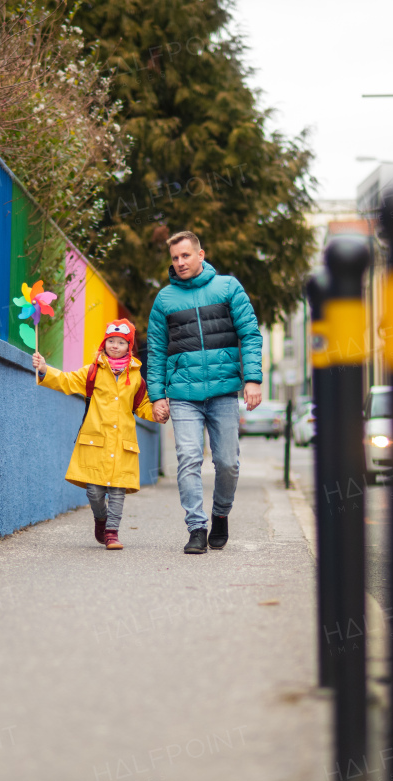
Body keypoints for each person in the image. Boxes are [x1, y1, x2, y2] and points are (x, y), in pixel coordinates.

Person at [146, 231, 263, 554]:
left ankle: (221, 513)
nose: (180, 262)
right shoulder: (165, 300)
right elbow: (155, 352)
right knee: (189, 458)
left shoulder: (228, 288)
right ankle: (196, 528)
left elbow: (250, 334)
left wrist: (252, 378)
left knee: (227, 463)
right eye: (175, 258)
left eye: (185, 255)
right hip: (183, 395)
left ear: (201, 255)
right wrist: (157, 395)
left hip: (224, 391)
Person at [33, 319, 154, 550]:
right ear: (104, 343)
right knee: (94, 491)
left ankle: (112, 532)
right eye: (111, 341)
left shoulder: (136, 377)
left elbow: (142, 406)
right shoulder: (93, 372)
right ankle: (101, 518)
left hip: (122, 445)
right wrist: (44, 370)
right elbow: (66, 381)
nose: (115, 346)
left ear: (129, 347)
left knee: (118, 491)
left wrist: (158, 412)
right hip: (95, 442)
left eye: (121, 342)